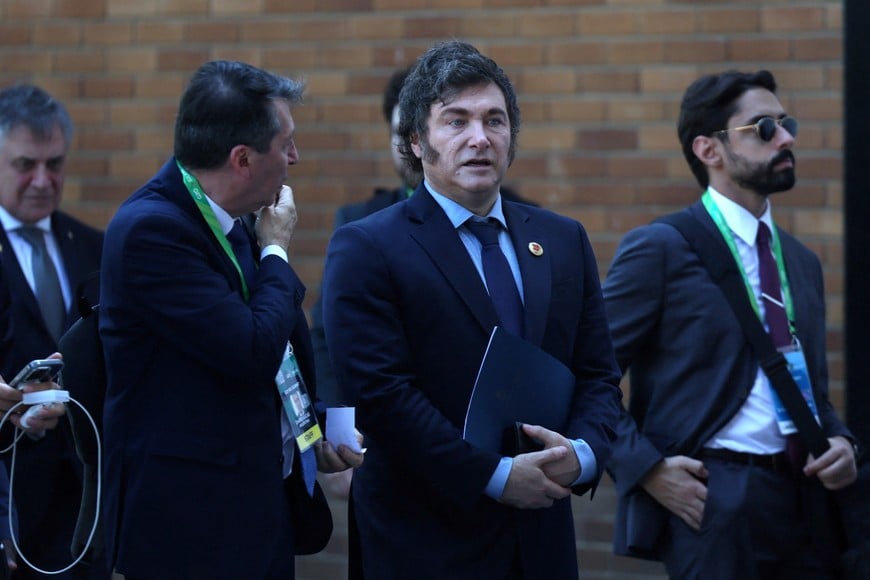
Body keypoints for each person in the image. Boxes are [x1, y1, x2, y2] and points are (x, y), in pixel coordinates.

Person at [322, 40, 623, 579]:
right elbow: (382, 396)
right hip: (424, 541)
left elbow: (599, 373)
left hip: (542, 540)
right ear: (416, 141)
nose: (480, 138)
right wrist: (495, 475)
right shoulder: (366, 246)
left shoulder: (562, 239)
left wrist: (583, 453)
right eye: (455, 121)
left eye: (495, 121)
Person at [99, 60, 363, 580]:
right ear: (242, 158)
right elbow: (249, 350)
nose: (295, 157)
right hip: (190, 530)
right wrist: (277, 253)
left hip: (256, 504)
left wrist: (312, 430)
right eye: (285, 143)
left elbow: (272, 352)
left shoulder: (229, 215)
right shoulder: (151, 232)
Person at [603, 69, 858, 579]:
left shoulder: (800, 260)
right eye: (763, 128)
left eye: (786, 124)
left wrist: (841, 441)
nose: (785, 138)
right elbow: (587, 376)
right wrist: (645, 468)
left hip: (805, 499)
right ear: (709, 150)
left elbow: (803, 384)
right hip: (715, 499)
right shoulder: (660, 248)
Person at [0, 84, 104, 579]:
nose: (43, 180)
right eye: (25, 165)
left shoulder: (93, 247)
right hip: (9, 497)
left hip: (83, 502)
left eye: (55, 164)